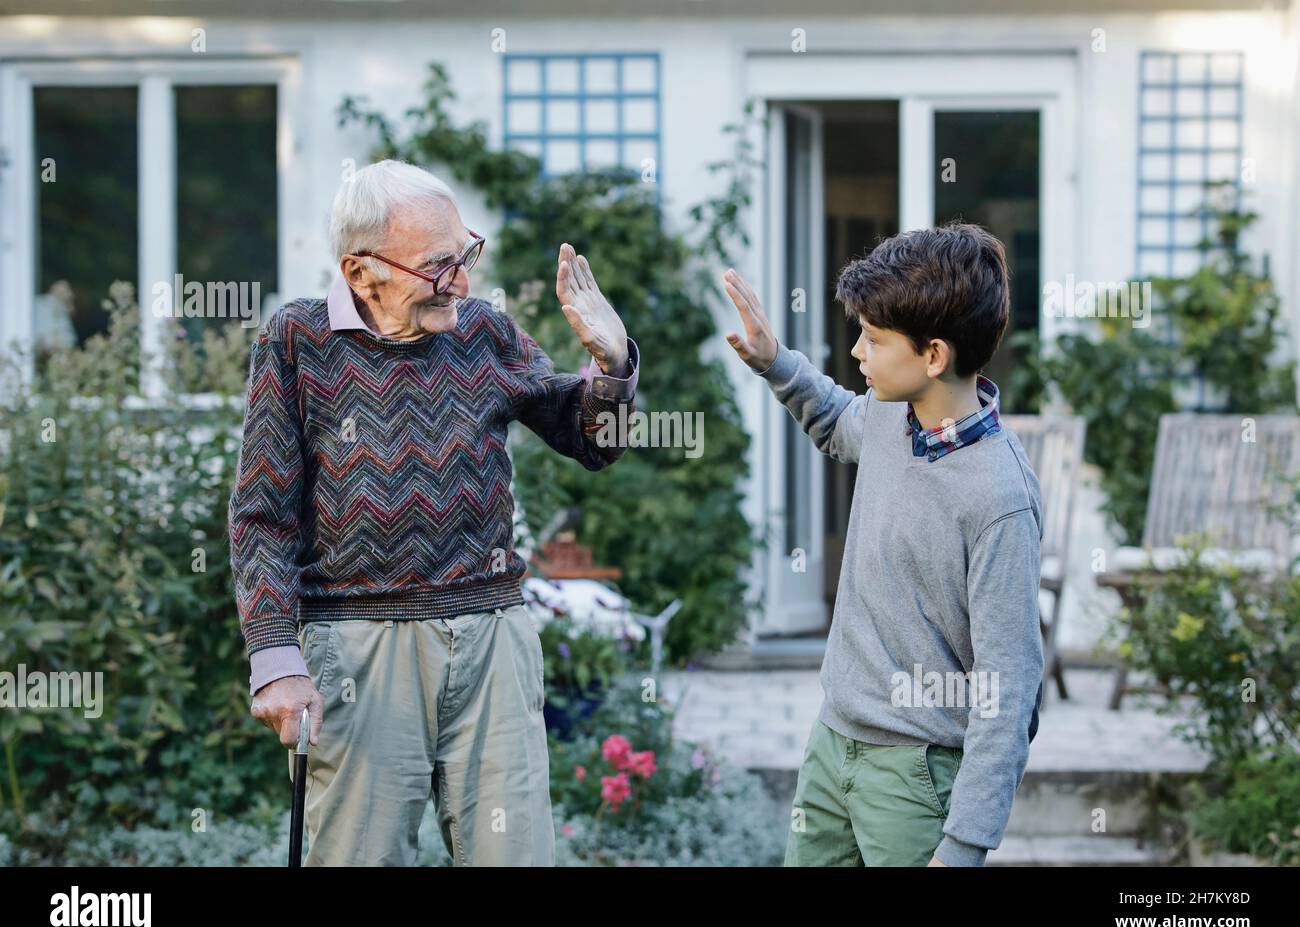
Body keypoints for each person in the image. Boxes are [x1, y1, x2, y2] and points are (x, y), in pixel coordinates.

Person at [230, 159, 639, 865]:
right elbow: (262, 514)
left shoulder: (484, 331)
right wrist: (275, 656)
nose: (463, 282)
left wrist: (610, 365)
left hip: (492, 640)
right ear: (362, 273)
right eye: (438, 266)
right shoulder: (297, 341)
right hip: (359, 645)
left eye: (465, 256)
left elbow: (591, 441)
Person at [722, 222, 1044, 867]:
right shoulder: (891, 417)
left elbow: (1008, 691)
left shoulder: (999, 498)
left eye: (873, 339)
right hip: (832, 745)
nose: (859, 353)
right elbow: (840, 420)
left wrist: (963, 845)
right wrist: (774, 360)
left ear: (933, 356)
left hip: (916, 776)